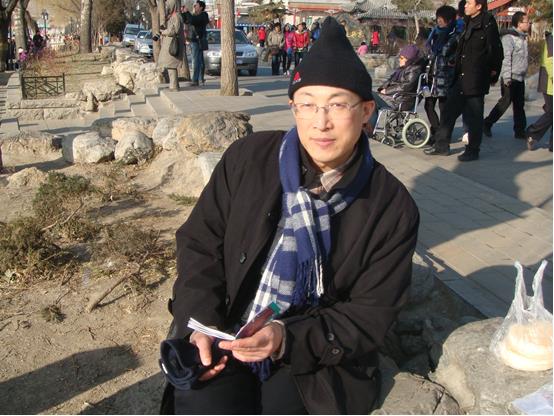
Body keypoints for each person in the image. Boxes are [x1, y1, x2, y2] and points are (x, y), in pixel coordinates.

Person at [162, 16, 419, 415]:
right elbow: (200, 242)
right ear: (292, 108)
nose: (321, 122)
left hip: (316, 355)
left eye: (338, 105)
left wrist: (285, 338)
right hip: (226, 324)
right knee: (204, 402)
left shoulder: (392, 206)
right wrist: (200, 323)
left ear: (367, 111)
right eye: (308, 104)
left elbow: (370, 313)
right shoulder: (249, 158)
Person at [425, 0, 503, 161]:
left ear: (479, 6)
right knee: (448, 112)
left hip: (476, 77)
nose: (465, 5)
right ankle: (441, 146)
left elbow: (495, 50)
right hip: (460, 75)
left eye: (469, 3)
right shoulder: (466, 22)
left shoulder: (487, 23)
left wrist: (492, 74)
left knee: (474, 116)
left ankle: (472, 150)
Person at [483, 12, 529, 139]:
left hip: (520, 77)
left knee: (519, 105)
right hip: (510, 77)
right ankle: (487, 123)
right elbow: (506, 59)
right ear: (519, 23)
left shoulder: (523, 38)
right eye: (526, 22)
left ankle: (520, 130)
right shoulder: (509, 38)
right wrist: (507, 77)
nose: (528, 24)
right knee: (505, 102)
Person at [424, 5, 460, 142]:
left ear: (449, 20)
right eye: (437, 18)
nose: (438, 21)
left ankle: (443, 136)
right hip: (432, 76)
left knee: (444, 108)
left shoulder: (455, 36)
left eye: (441, 18)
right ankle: (438, 130)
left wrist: (451, 61)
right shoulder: (435, 34)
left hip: (446, 78)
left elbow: (458, 55)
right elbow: (429, 51)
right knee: (428, 105)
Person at [377, 44, 426, 111]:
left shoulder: (415, 70)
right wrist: (382, 88)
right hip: (396, 97)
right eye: (399, 57)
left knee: (370, 99)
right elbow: (390, 80)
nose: (399, 59)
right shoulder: (401, 69)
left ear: (409, 59)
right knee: (369, 97)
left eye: (402, 58)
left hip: (403, 100)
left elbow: (405, 86)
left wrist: (387, 91)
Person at [526, 32, 553, 152]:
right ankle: (532, 132)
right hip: (549, 83)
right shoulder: (551, 39)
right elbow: (550, 61)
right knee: (551, 112)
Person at [157, 0, 185, 91]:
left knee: (172, 65)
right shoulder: (172, 16)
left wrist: (163, 32)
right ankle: (173, 85)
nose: (166, 8)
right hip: (171, 44)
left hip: (173, 45)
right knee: (170, 65)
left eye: (168, 6)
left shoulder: (176, 16)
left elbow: (174, 30)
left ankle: (174, 86)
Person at [182, 0, 209, 87]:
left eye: (196, 5)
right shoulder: (194, 15)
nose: (194, 7)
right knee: (199, 60)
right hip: (193, 40)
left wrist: (187, 12)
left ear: (201, 7)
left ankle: (195, 80)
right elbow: (186, 20)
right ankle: (200, 79)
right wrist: (184, 13)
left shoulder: (204, 15)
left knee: (196, 60)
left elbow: (193, 21)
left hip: (198, 40)